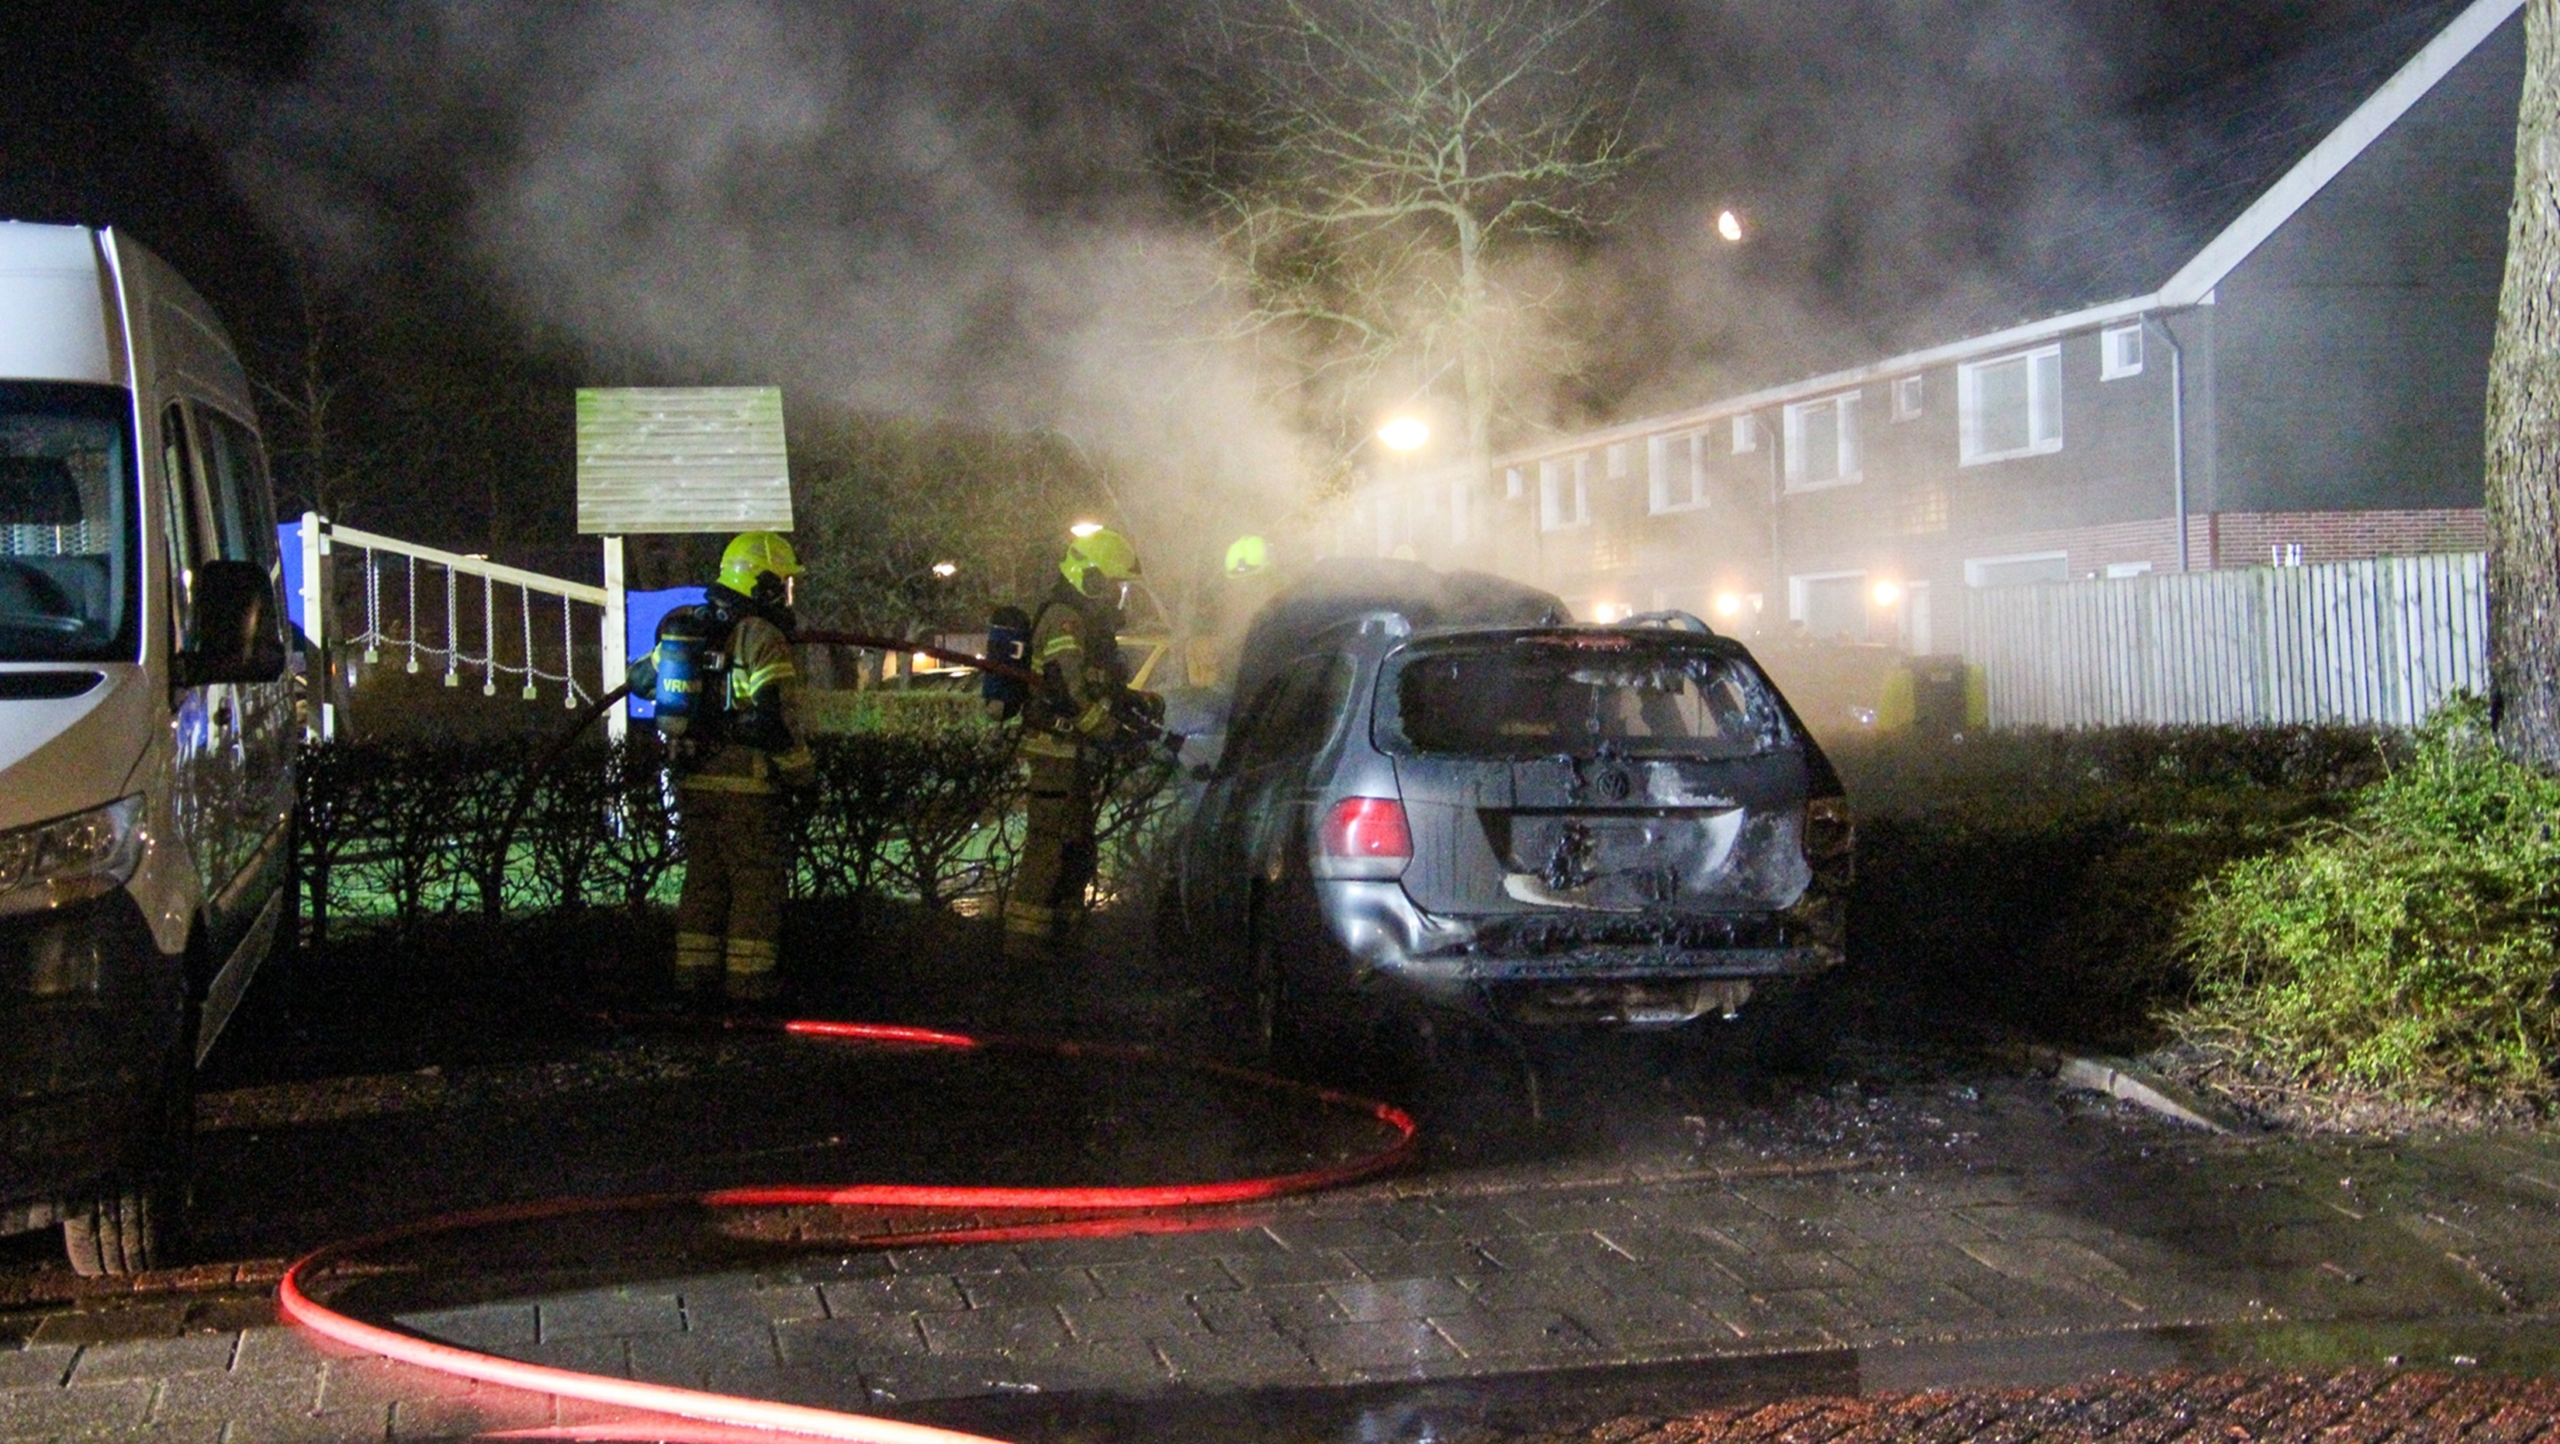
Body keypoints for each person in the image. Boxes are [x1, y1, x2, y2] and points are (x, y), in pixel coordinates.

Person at [628, 531, 816, 1005]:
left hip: (695, 783)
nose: (788, 594)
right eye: (784, 584)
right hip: (748, 788)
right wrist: (803, 776)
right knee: (755, 884)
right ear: (763, 584)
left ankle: (692, 983)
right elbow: (774, 723)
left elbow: (640, 680)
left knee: (705, 881)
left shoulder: (690, 626)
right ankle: (748, 988)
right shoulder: (763, 637)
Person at [1003, 526, 1160, 962]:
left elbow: (1096, 685)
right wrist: (1114, 735)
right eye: (1113, 585)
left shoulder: (1087, 623)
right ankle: (1022, 951)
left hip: (1073, 753)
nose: (1117, 596)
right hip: (1056, 751)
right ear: (1090, 577)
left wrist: (1135, 705)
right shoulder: (1064, 619)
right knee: (1048, 847)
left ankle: (1064, 942)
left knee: (1076, 846)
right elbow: (1069, 693)